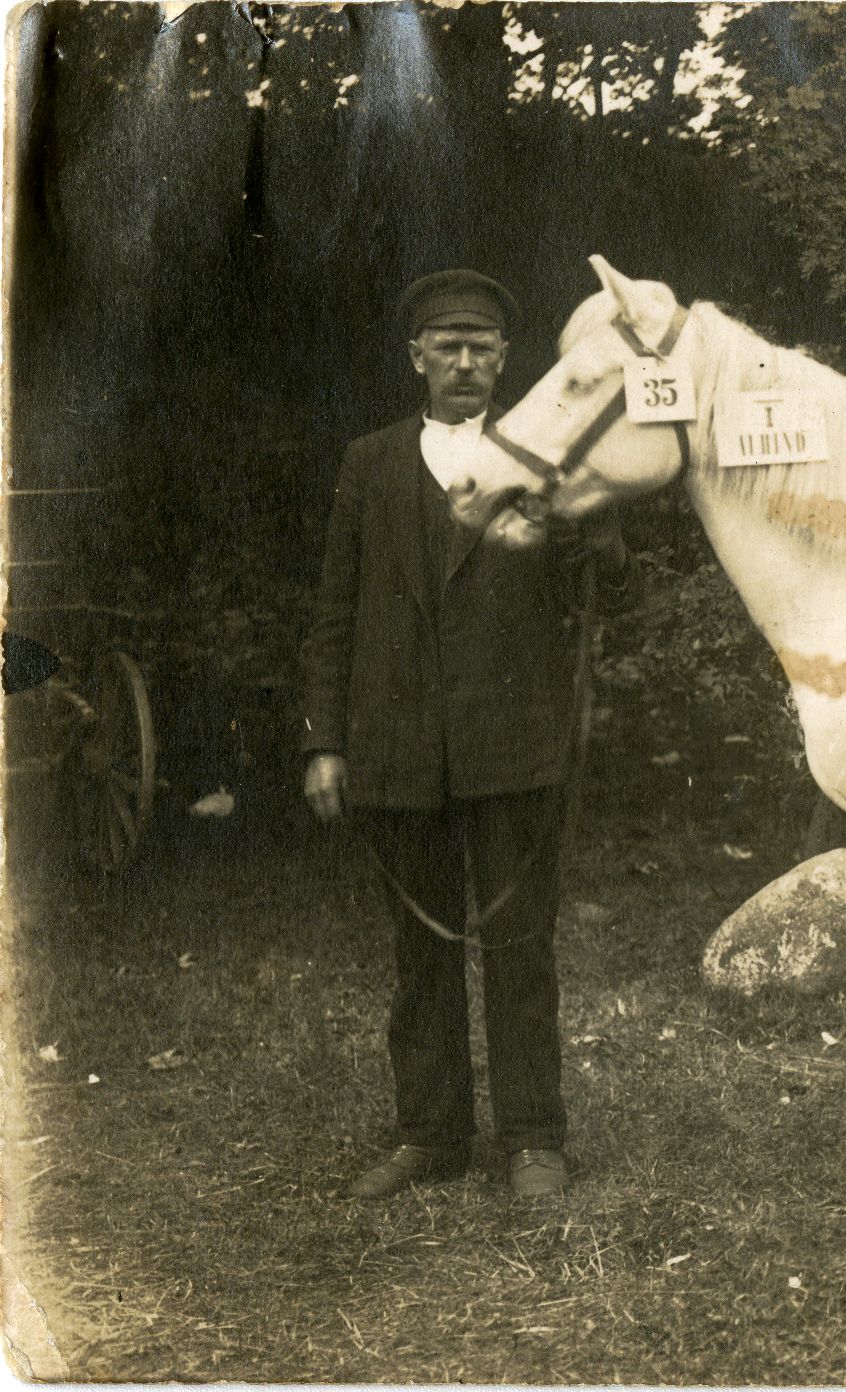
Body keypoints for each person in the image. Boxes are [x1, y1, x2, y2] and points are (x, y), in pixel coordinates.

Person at [300, 269, 632, 1201]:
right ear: (416, 359)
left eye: (480, 347)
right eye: (445, 346)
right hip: (398, 748)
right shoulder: (370, 463)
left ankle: (533, 1139)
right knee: (419, 953)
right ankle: (430, 1136)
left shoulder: (542, 457)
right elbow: (335, 611)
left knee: (520, 945)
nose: (463, 362)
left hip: (512, 745)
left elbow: (607, 572)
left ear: (505, 361)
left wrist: (588, 530)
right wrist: (325, 740)